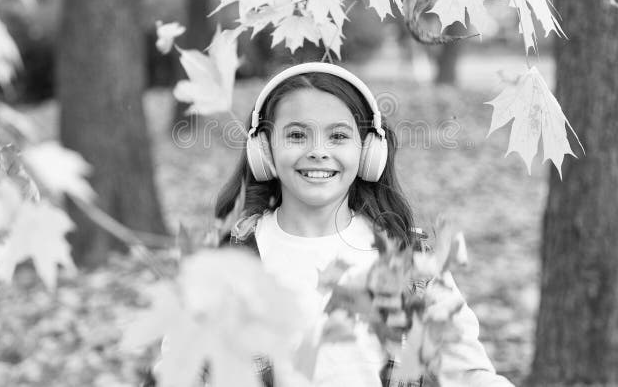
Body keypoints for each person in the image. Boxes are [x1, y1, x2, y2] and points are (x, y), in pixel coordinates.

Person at [214, 62, 513, 387]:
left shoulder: (409, 260)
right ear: (264, 149)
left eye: (338, 136)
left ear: (370, 151)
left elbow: (469, 375)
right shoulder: (227, 261)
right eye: (297, 135)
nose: (318, 152)